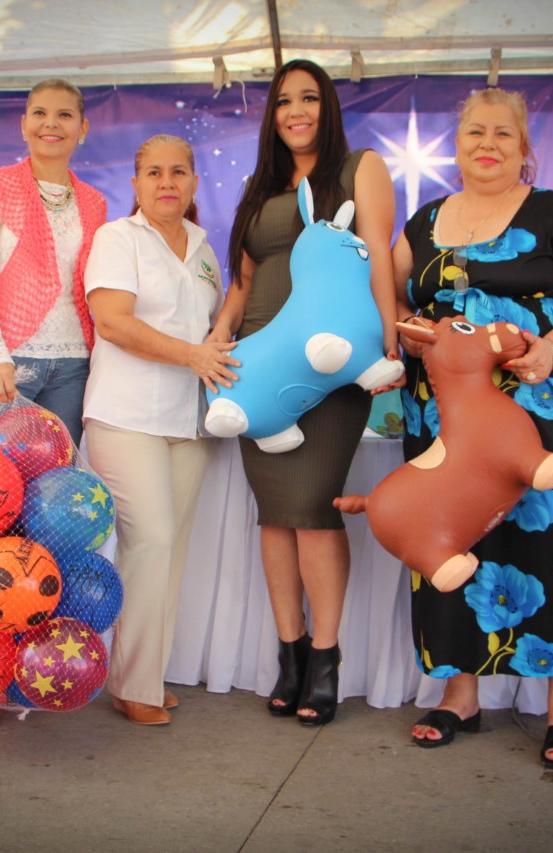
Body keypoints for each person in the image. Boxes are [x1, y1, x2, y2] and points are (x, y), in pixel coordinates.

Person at [393, 88, 553, 764]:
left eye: (503, 134)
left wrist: (550, 349)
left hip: (541, 405)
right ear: (455, 144)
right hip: (444, 414)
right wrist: (410, 337)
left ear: (525, 150)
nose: (487, 144)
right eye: (473, 133)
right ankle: (460, 692)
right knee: (448, 538)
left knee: (551, 542)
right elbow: (396, 310)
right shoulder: (424, 223)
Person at [208, 58, 399, 726]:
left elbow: (378, 252)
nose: (297, 111)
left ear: (329, 105)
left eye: (310, 98)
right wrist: (218, 341)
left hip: (332, 362)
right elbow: (240, 282)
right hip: (256, 362)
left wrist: (390, 347)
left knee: (313, 505)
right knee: (275, 512)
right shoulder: (261, 187)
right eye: (285, 100)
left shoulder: (359, 168)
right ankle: (288, 653)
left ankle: (325, 656)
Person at [82, 135, 238, 726]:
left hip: (189, 420)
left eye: (178, 171)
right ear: (136, 183)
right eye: (153, 171)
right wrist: (194, 357)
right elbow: (114, 323)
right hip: (126, 415)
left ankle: (143, 673)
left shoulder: (202, 247)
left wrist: (217, 352)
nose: (166, 181)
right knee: (150, 540)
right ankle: (133, 683)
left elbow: (212, 330)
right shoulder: (117, 239)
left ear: (195, 182)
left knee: (170, 550)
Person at [0, 78, 107, 444]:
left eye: (65, 115)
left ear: (82, 128)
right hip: (7, 362)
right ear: (24, 124)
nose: (51, 124)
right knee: (2, 485)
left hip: (74, 365)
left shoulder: (94, 202)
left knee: (58, 485)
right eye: (40, 113)